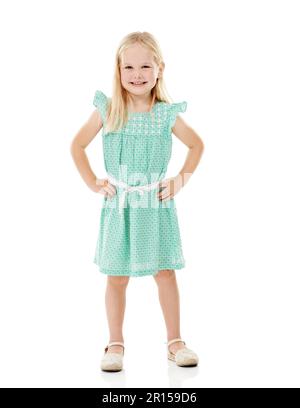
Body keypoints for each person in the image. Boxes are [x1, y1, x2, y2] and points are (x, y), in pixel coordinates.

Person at [70, 31, 204, 372]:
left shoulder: (165, 114)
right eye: (129, 66)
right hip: (119, 206)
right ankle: (115, 343)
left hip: (156, 206)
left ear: (160, 69)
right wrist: (92, 181)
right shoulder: (109, 109)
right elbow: (77, 145)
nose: (137, 74)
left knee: (165, 272)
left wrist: (180, 179)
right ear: (118, 70)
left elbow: (197, 145)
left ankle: (175, 341)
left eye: (146, 65)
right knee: (116, 277)